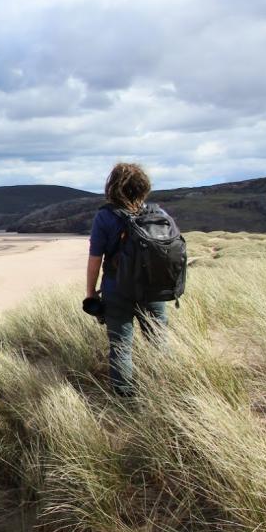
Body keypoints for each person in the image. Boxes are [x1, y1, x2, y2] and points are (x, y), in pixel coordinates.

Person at [86, 162, 169, 396]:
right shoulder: (158, 213)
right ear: (144, 187)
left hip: (117, 290)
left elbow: (95, 259)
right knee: (159, 342)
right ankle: (166, 390)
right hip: (154, 290)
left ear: (112, 187)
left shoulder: (105, 217)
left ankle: (125, 402)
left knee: (121, 347)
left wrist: (91, 294)